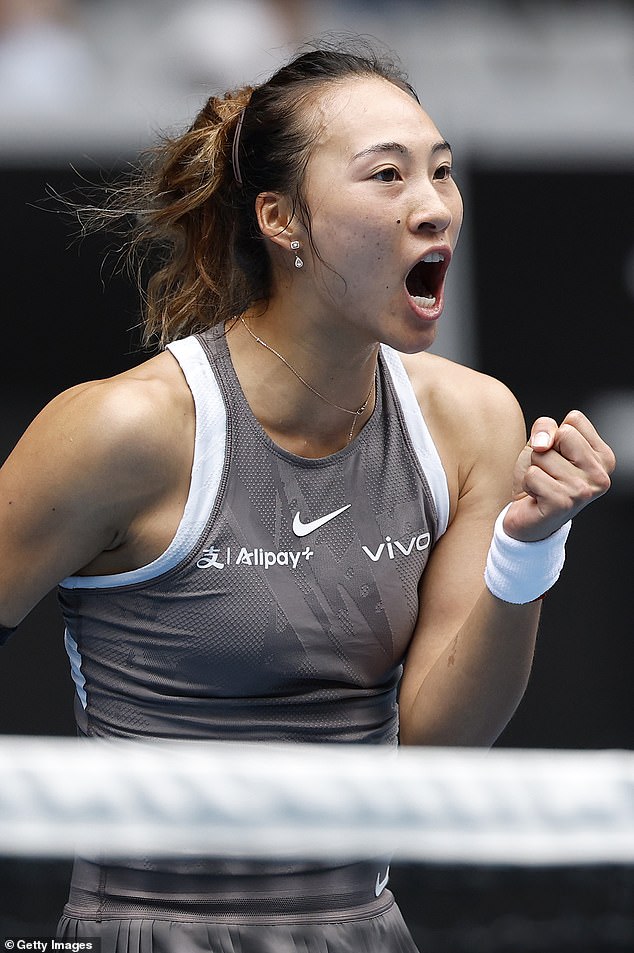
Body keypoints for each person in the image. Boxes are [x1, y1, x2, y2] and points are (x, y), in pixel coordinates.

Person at [0, 44, 615, 953]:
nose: (435, 204)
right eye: (387, 175)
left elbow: (436, 749)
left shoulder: (474, 423)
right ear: (282, 219)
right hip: (141, 930)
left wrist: (528, 552)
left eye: (442, 171)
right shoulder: (125, 431)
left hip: (361, 932)